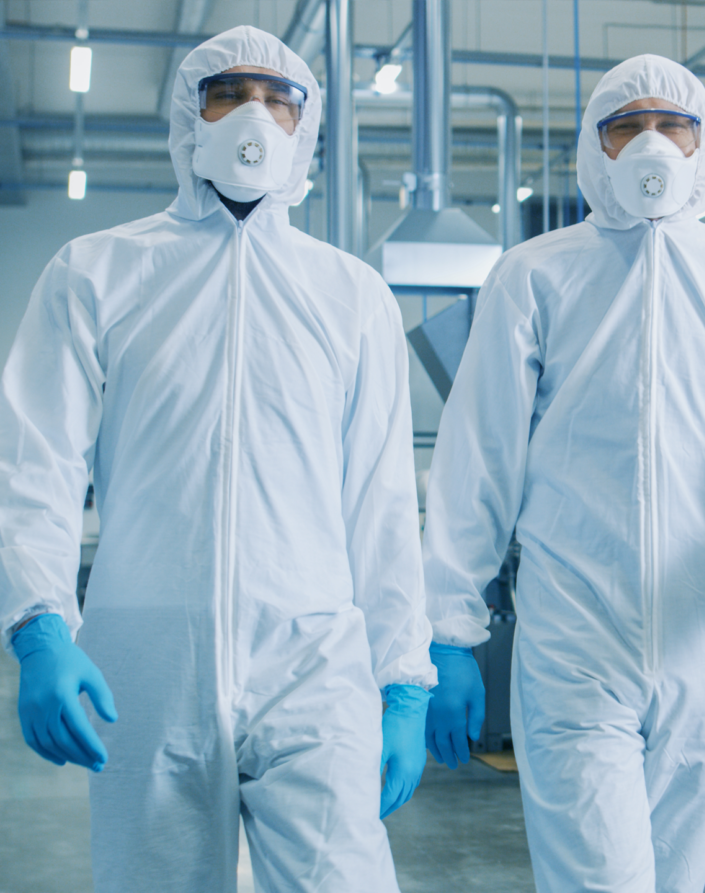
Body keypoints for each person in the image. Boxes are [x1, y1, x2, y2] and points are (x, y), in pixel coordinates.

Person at [422, 54, 705, 893]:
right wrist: (448, 630)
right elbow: (477, 460)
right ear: (595, 149)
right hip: (574, 637)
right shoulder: (535, 276)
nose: (651, 143)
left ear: (701, 144)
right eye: (627, 125)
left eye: (673, 124)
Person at [0, 26, 435, 893]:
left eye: (280, 100)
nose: (255, 117)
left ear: (307, 126)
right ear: (186, 115)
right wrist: (38, 625)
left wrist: (404, 679)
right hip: (149, 653)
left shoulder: (351, 295)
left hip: (313, 656)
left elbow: (380, 503)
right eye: (229, 94)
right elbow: (33, 460)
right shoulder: (96, 272)